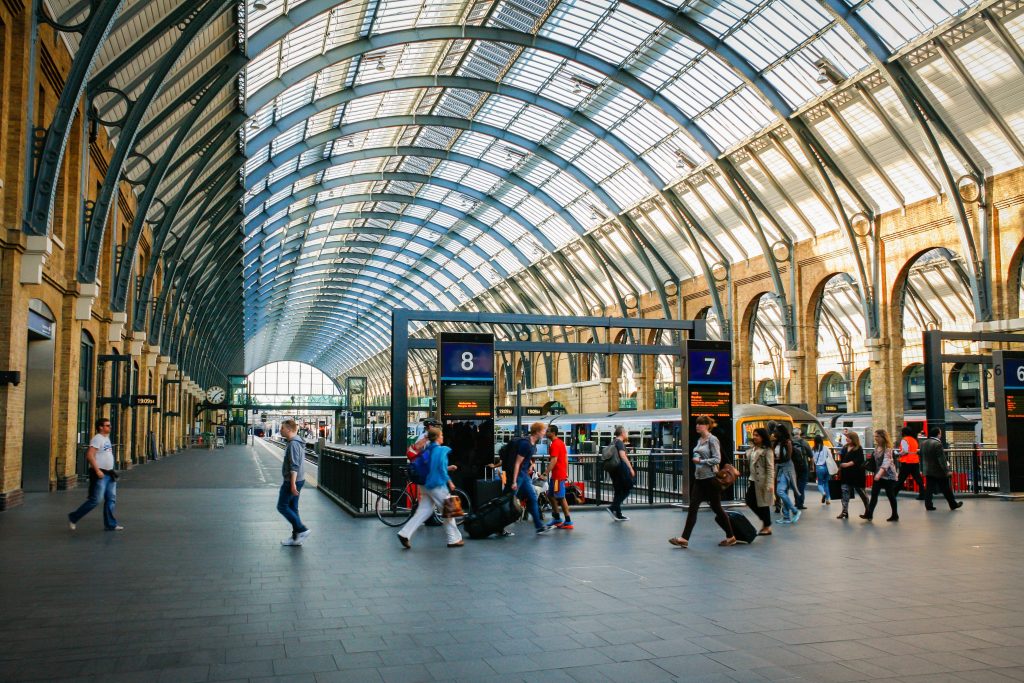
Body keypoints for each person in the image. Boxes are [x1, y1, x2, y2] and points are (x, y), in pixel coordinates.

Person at [669, 416, 736, 548]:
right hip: (699, 479)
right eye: (697, 423)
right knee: (693, 508)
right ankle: (684, 538)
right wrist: (697, 458)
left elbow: (717, 459)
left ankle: (731, 536)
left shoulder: (712, 439)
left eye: (700, 424)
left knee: (717, 508)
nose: (697, 426)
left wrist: (701, 461)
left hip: (711, 479)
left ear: (706, 425)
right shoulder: (700, 440)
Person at [397, 427, 463, 548]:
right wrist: (450, 481)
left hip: (425, 485)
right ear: (437, 437)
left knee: (423, 511)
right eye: (441, 435)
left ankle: (405, 533)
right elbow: (441, 470)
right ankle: (454, 539)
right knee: (449, 511)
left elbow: (431, 468)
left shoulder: (427, 449)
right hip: (437, 485)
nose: (443, 437)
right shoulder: (441, 450)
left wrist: (447, 469)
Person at [68, 417, 124, 531]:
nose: (110, 427)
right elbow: (89, 455)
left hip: (109, 474)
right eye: (107, 425)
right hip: (101, 474)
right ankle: (74, 517)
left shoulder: (106, 438)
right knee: (95, 500)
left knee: (111, 499)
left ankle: (110, 524)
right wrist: (97, 470)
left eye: (110, 425)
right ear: (101, 427)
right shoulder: (97, 439)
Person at [510, 421, 553, 535]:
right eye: (543, 430)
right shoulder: (526, 444)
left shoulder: (532, 444)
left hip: (524, 475)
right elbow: (517, 463)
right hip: (519, 476)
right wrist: (514, 481)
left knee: (533, 498)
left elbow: (524, 460)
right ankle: (498, 526)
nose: (545, 433)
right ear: (537, 431)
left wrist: (530, 466)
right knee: (508, 500)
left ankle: (539, 526)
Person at [278, 419, 311, 546]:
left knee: (282, 506)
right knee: (292, 507)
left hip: (293, 481)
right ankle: (296, 537)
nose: (280, 430)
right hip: (298, 480)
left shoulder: (293, 444)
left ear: (288, 429)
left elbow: (294, 466)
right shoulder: (294, 442)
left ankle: (302, 530)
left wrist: (292, 484)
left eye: (282, 428)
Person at [920, 427, 964, 512]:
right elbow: (942, 460)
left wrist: (922, 469)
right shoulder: (937, 444)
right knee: (946, 488)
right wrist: (947, 471)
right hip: (938, 471)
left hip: (928, 470)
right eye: (940, 433)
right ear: (938, 434)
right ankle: (953, 504)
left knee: (929, 489)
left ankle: (928, 505)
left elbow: (921, 457)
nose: (941, 435)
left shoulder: (923, 443)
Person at [862, 429, 899, 522]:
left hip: (888, 476)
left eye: (877, 436)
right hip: (878, 474)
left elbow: (886, 462)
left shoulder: (888, 448)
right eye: (875, 436)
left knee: (890, 495)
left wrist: (879, 474)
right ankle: (869, 515)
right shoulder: (877, 448)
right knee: (874, 494)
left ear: (883, 437)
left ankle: (895, 514)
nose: (875, 438)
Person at [745, 427, 775, 535]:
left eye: (757, 435)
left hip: (762, 481)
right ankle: (766, 523)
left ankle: (767, 526)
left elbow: (770, 468)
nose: (754, 437)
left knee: (763, 504)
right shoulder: (753, 449)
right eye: (754, 435)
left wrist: (770, 483)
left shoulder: (767, 450)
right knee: (750, 500)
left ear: (763, 437)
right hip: (753, 480)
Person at [544, 425, 573, 529]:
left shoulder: (554, 445)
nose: (546, 433)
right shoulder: (560, 442)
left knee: (561, 498)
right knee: (550, 495)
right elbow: (565, 458)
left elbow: (554, 460)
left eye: (547, 431)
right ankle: (557, 518)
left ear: (553, 433)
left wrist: (545, 473)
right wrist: (566, 472)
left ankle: (568, 521)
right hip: (558, 475)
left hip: (557, 476)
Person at [837, 431, 869, 519]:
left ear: (853, 439)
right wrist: (840, 467)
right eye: (846, 437)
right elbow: (842, 458)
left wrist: (847, 464)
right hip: (845, 474)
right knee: (844, 492)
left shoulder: (859, 448)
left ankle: (868, 510)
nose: (846, 439)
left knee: (862, 493)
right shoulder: (844, 447)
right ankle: (844, 511)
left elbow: (859, 460)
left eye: (848, 437)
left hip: (857, 475)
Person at [607, 426, 635, 522]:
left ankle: (618, 514)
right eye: (626, 432)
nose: (627, 434)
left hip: (613, 469)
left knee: (618, 490)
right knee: (628, 487)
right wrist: (630, 468)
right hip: (620, 469)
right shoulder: (620, 443)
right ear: (622, 433)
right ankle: (612, 507)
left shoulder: (613, 442)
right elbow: (622, 456)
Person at [773, 424, 800, 524]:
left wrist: (775, 460)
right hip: (780, 468)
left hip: (787, 468)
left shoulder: (788, 442)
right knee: (784, 492)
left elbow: (788, 457)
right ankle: (786, 517)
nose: (774, 433)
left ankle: (795, 510)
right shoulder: (776, 443)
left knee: (780, 491)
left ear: (781, 432)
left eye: (776, 431)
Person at [895, 426, 925, 499]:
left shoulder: (905, 439)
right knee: (918, 479)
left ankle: (893, 493)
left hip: (906, 462)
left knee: (901, 479)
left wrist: (897, 454)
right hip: (915, 461)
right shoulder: (914, 440)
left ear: (904, 433)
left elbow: (905, 451)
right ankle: (923, 494)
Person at [791, 428, 810, 509]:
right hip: (803, 466)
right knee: (801, 485)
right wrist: (812, 465)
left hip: (793, 467)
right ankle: (800, 503)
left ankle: (796, 502)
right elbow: (810, 454)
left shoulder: (790, 442)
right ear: (800, 433)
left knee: (795, 485)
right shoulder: (804, 442)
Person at [811, 434, 831, 506]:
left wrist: (812, 467)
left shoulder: (813, 449)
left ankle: (823, 493)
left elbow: (812, 459)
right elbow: (830, 457)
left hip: (819, 467)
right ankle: (828, 500)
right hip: (826, 467)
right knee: (826, 483)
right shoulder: (826, 448)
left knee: (820, 483)